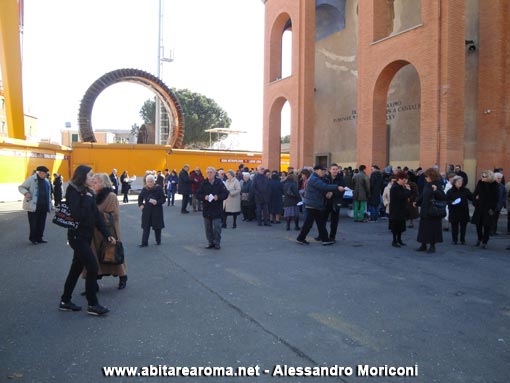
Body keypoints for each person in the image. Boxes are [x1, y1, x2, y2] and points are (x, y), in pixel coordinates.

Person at [59, 165, 115, 316]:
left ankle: (65, 300)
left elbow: (96, 215)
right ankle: (92, 304)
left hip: (85, 236)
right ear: (82, 177)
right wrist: (87, 198)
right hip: (77, 237)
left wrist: (107, 233)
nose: (93, 178)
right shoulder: (74, 191)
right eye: (91, 176)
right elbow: (78, 215)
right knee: (92, 267)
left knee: (76, 268)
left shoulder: (88, 192)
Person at [88, 173, 127, 289]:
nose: (93, 184)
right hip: (94, 232)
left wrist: (94, 215)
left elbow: (113, 216)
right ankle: (92, 284)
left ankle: (122, 277)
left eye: (96, 182)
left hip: (109, 231)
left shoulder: (111, 196)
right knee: (94, 257)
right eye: (92, 182)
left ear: (103, 182)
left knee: (113, 254)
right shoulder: (92, 195)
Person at [296, 165, 345, 245]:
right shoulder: (314, 179)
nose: (323, 172)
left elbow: (320, 189)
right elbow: (324, 186)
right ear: (317, 170)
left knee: (319, 222)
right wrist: (337, 187)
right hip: (313, 204)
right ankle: (303, 238)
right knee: (312, 223)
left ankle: (323, 239)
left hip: (313, 203)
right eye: (322, 170)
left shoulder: (314, 178)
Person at [196, 167, 229, 250]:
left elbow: (225, 193)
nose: (209, 174)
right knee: (208, 228)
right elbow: (198, 194)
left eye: (211, 172)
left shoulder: (219, 183)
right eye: (208, 172)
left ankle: (217, 242)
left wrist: (218, 197)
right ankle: (210, 242)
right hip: (207, 209)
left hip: (217, 208)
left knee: (217, 227)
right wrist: (204, 197)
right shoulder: (204, 183)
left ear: (215, 173)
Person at [18, 165, 53, 245]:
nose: (46, 175)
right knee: (33, 223)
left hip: (44, 206)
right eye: (45, 173)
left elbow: (49, 194)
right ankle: (33, 238)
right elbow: (21, 187)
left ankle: (40, 238)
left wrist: (50, 205)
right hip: (33, 206)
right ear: (40, 173)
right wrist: (26, 193)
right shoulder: (31, 179)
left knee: (42, 223)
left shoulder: (46, 181)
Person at [415, 168, 446, 253]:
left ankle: (432, 246)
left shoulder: (437, 184)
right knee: (423, 228)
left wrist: (436, 191)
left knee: (432, 229)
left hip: (433, 211)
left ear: (431, 176)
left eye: (427, 176)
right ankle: (423, 244)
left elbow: (442, 197)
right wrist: (417, 202)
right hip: (425, 210)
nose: (425, 178)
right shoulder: (427, 184)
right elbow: (423, 195)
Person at [471, 170, 499, 249]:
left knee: (487, 225)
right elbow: (475, 194)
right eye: (482, 176)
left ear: (489, 177)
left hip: (488, 208)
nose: (482, 178)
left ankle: (485, 241)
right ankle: (480, 238)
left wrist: (492, 208)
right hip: (479, 207)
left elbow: (495, 198)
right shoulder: (480, 183)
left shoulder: (494, 185)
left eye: (484, 176)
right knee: (478, 224)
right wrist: (475, 201)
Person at [138, 175, 166, 247]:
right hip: (147, 211)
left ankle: (158, 240)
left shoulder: (158, 188)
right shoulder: (145, 189)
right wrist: (141, 205)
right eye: (148, 182)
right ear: (146, 182)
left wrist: (157, 202)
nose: (149, 183)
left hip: (157, 210)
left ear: (154, 182)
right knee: (146, 227)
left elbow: (163, 199)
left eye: (151, 182)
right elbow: (140, 198)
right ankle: (144, 242)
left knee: (157, 227)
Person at [446, 175, 473, 245]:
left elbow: (471, 197)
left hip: (463, 211)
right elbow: (446, 200)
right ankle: (454, 239)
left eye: (461, 182)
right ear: (454, 182)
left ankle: (462, 239)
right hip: (454, 211)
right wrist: (451, 202)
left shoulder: (465, 190)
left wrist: (476, 197)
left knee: (463, 226)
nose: (460, 183)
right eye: (458, 182)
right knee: (454, 226)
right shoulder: (450, 191)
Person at [322, 163, 345, 241]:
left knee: (334, 221)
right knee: (323, 220)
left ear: (338, 170)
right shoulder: (325, 178)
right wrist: (326, 193)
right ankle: (322, 236)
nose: (335, 171)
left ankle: (332, 237)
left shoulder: (341, 179)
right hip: (326, 202)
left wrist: (332, 193)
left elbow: (342, 190)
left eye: (336, 169)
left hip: (336, 202)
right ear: (329, 170)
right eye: (333, 169)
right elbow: (322, 188)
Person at [389, 172, 412, 247]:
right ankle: (394, 241)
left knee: (400, 226)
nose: (405, 182)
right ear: (400, 179)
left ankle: (399, 239)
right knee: (395, 226)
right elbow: (402, 196)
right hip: (395, 210)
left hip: (401, 209)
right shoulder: (395, 187)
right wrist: (408, 190)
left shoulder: (400, 186)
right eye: (404, 180)